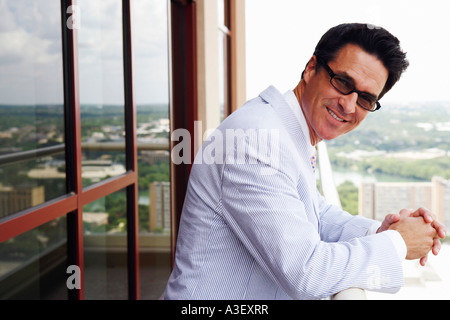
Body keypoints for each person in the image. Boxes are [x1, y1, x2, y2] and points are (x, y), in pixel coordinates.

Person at [164, 23, 447, 300]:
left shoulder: (289, 129)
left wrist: (382, 230)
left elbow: (316, 213)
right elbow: (305, 273)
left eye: (365, 99)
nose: (348, 105)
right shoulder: (256, 141)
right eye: (343, 82)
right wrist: (398, 243)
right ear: (311, 69)